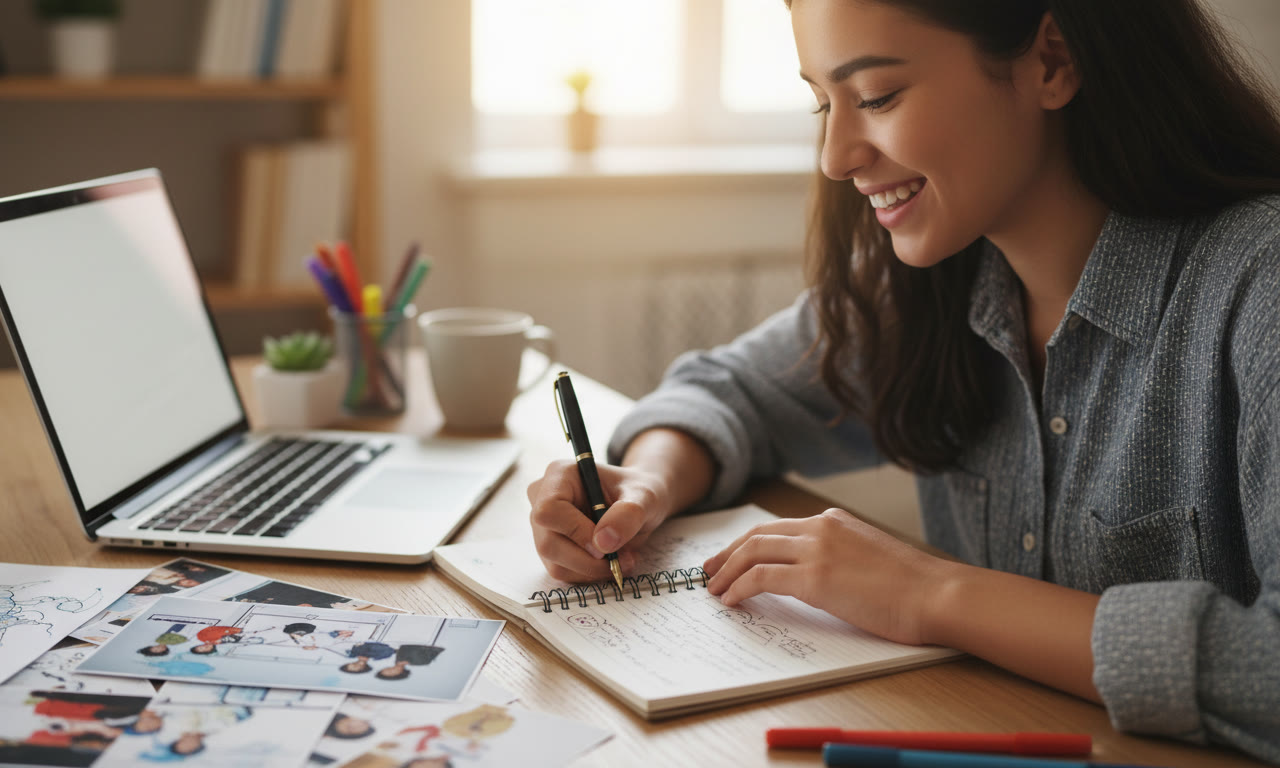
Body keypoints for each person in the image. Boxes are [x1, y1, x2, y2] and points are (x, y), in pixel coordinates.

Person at [526, 0, 1280, 762]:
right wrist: (645, 487)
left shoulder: (1260, 286)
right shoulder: (936, 283)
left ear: (1051, 61)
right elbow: (729, 392)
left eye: (878, 97)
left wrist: (931, 593)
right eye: (823, 104)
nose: (836, 155)